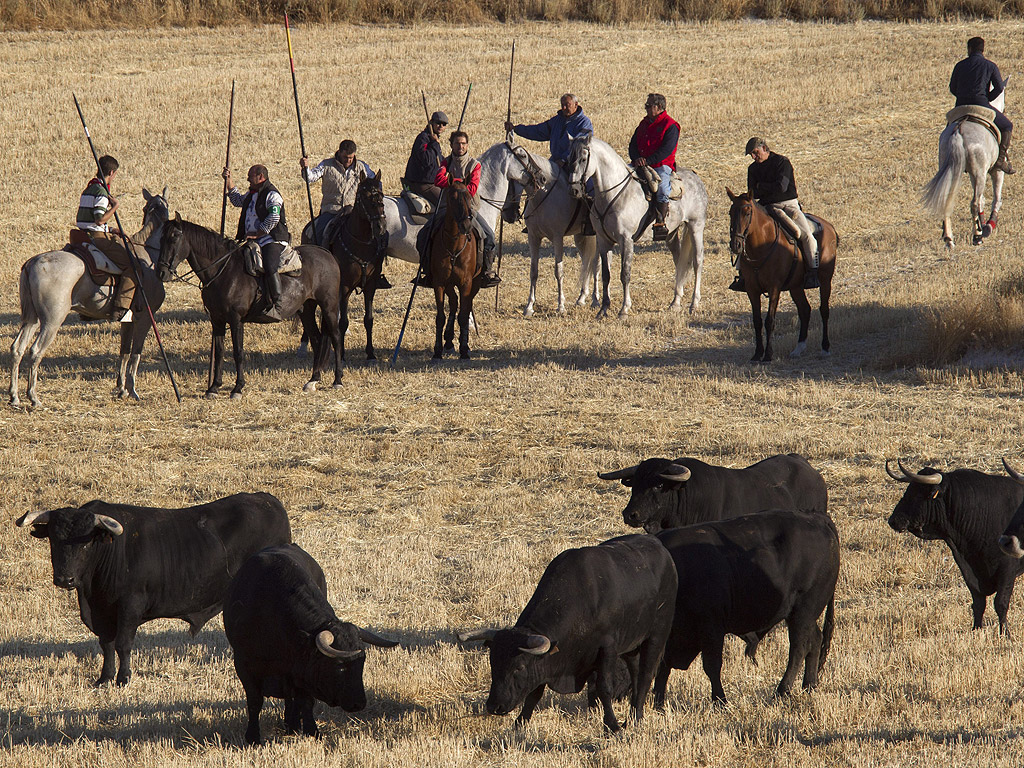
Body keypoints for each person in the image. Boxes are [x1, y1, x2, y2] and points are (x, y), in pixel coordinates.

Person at [731, 137, 819, 292]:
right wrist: (762, 189)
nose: (753, 157)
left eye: (755, 152)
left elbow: (782, 187)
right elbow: (753, 192)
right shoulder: (752, 169)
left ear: (765, 148)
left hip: (787, 205)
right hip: (765, 207)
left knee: (805, 235)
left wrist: (761, 186)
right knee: (743, 234)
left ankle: (812, 272)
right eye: (751, 154)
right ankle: (742, 275)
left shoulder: (782, 162)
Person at [414, 131, 500, 288]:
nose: (460, 146)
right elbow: (438, 180)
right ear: (451, 145)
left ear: (467, 145)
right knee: (423, 235)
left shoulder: (475, 165)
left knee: (489, 237)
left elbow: (471, 189)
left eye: (463, 143)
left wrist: (452, 181)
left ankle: (486, 272)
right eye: (457, 143)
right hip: (447, 207)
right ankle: (427, 272)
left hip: (469, 209)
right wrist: (459, 182)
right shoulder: (445, 162)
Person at [301, 139, 391, 288]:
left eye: (350, 157)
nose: (348, 160)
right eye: (345, 157)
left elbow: (375, 182)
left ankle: (376, 272)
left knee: (382, 234)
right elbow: (310, 177)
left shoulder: (362, 167)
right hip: (331, 211)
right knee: (317, 233)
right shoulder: (327, 165)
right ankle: (323, 268)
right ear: (339, 153)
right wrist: (305, 168)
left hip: (353, 211)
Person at [506, 93, 596, 235]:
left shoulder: (584, 123)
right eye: (562, 105)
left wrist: (566, 160)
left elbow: (580, 145)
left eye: (567, 105)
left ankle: (589, 221)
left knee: (589, 189)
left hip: (574, 164)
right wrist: (516, 129)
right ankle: (532, 219)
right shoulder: (557, 121)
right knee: (534, 182)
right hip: (554, 163)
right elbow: (538, 131)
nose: (564, 108)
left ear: (576, 105)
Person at [223, 164, 291, 321]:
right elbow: (236, 200)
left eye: (250, 176)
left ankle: (277, 303)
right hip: (254, 238)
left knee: (269, 264)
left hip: (272, 239)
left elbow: (274, 218)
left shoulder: (272, 194)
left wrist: (258, 234)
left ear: (261, 177)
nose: (247, 178)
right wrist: (228, 180)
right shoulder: (252, 194)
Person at [76, 154, 138, 322]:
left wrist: (112, 229)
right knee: (132, 266)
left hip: (82, 236)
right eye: (115, 174)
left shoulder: (88, 189)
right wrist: (116, 206)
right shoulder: (102, 192)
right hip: (97, 238)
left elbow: (87, 220)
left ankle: (88, 310)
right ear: (112, 172)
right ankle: (121, 308)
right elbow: (99, 219)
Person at [950, 36, 1015, 174]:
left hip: (960, 107)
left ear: (970, 49)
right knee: (1007, 126)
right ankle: (1000, 161)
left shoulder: (959, 65)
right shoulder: (990, 66)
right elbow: (999, 88)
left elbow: (952, 88)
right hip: (981, 105)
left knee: (949, 130)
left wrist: (963, 97)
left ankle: (948, 159)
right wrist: (986, 99)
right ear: (982, 49)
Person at [628, 93, 680, 241]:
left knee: (662, 189)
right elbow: (633, 144)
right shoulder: (643, 124)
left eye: (649, 105)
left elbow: (666, 150)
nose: (646, 108)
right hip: (640, 163)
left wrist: (648, 161)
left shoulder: (671, 126)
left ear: (659, 107)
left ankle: (660, 222)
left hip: (660, 166)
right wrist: (636, 158)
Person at [403, 111, 448, 207]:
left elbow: (438, 159)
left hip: (432, 181)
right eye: (438, 123)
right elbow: (426, 159)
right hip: (423, 184)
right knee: (446, 203)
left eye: (444, 124)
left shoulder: (432, 138)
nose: (441, 126)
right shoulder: (423, 138)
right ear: (431, 123)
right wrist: (435, 144)